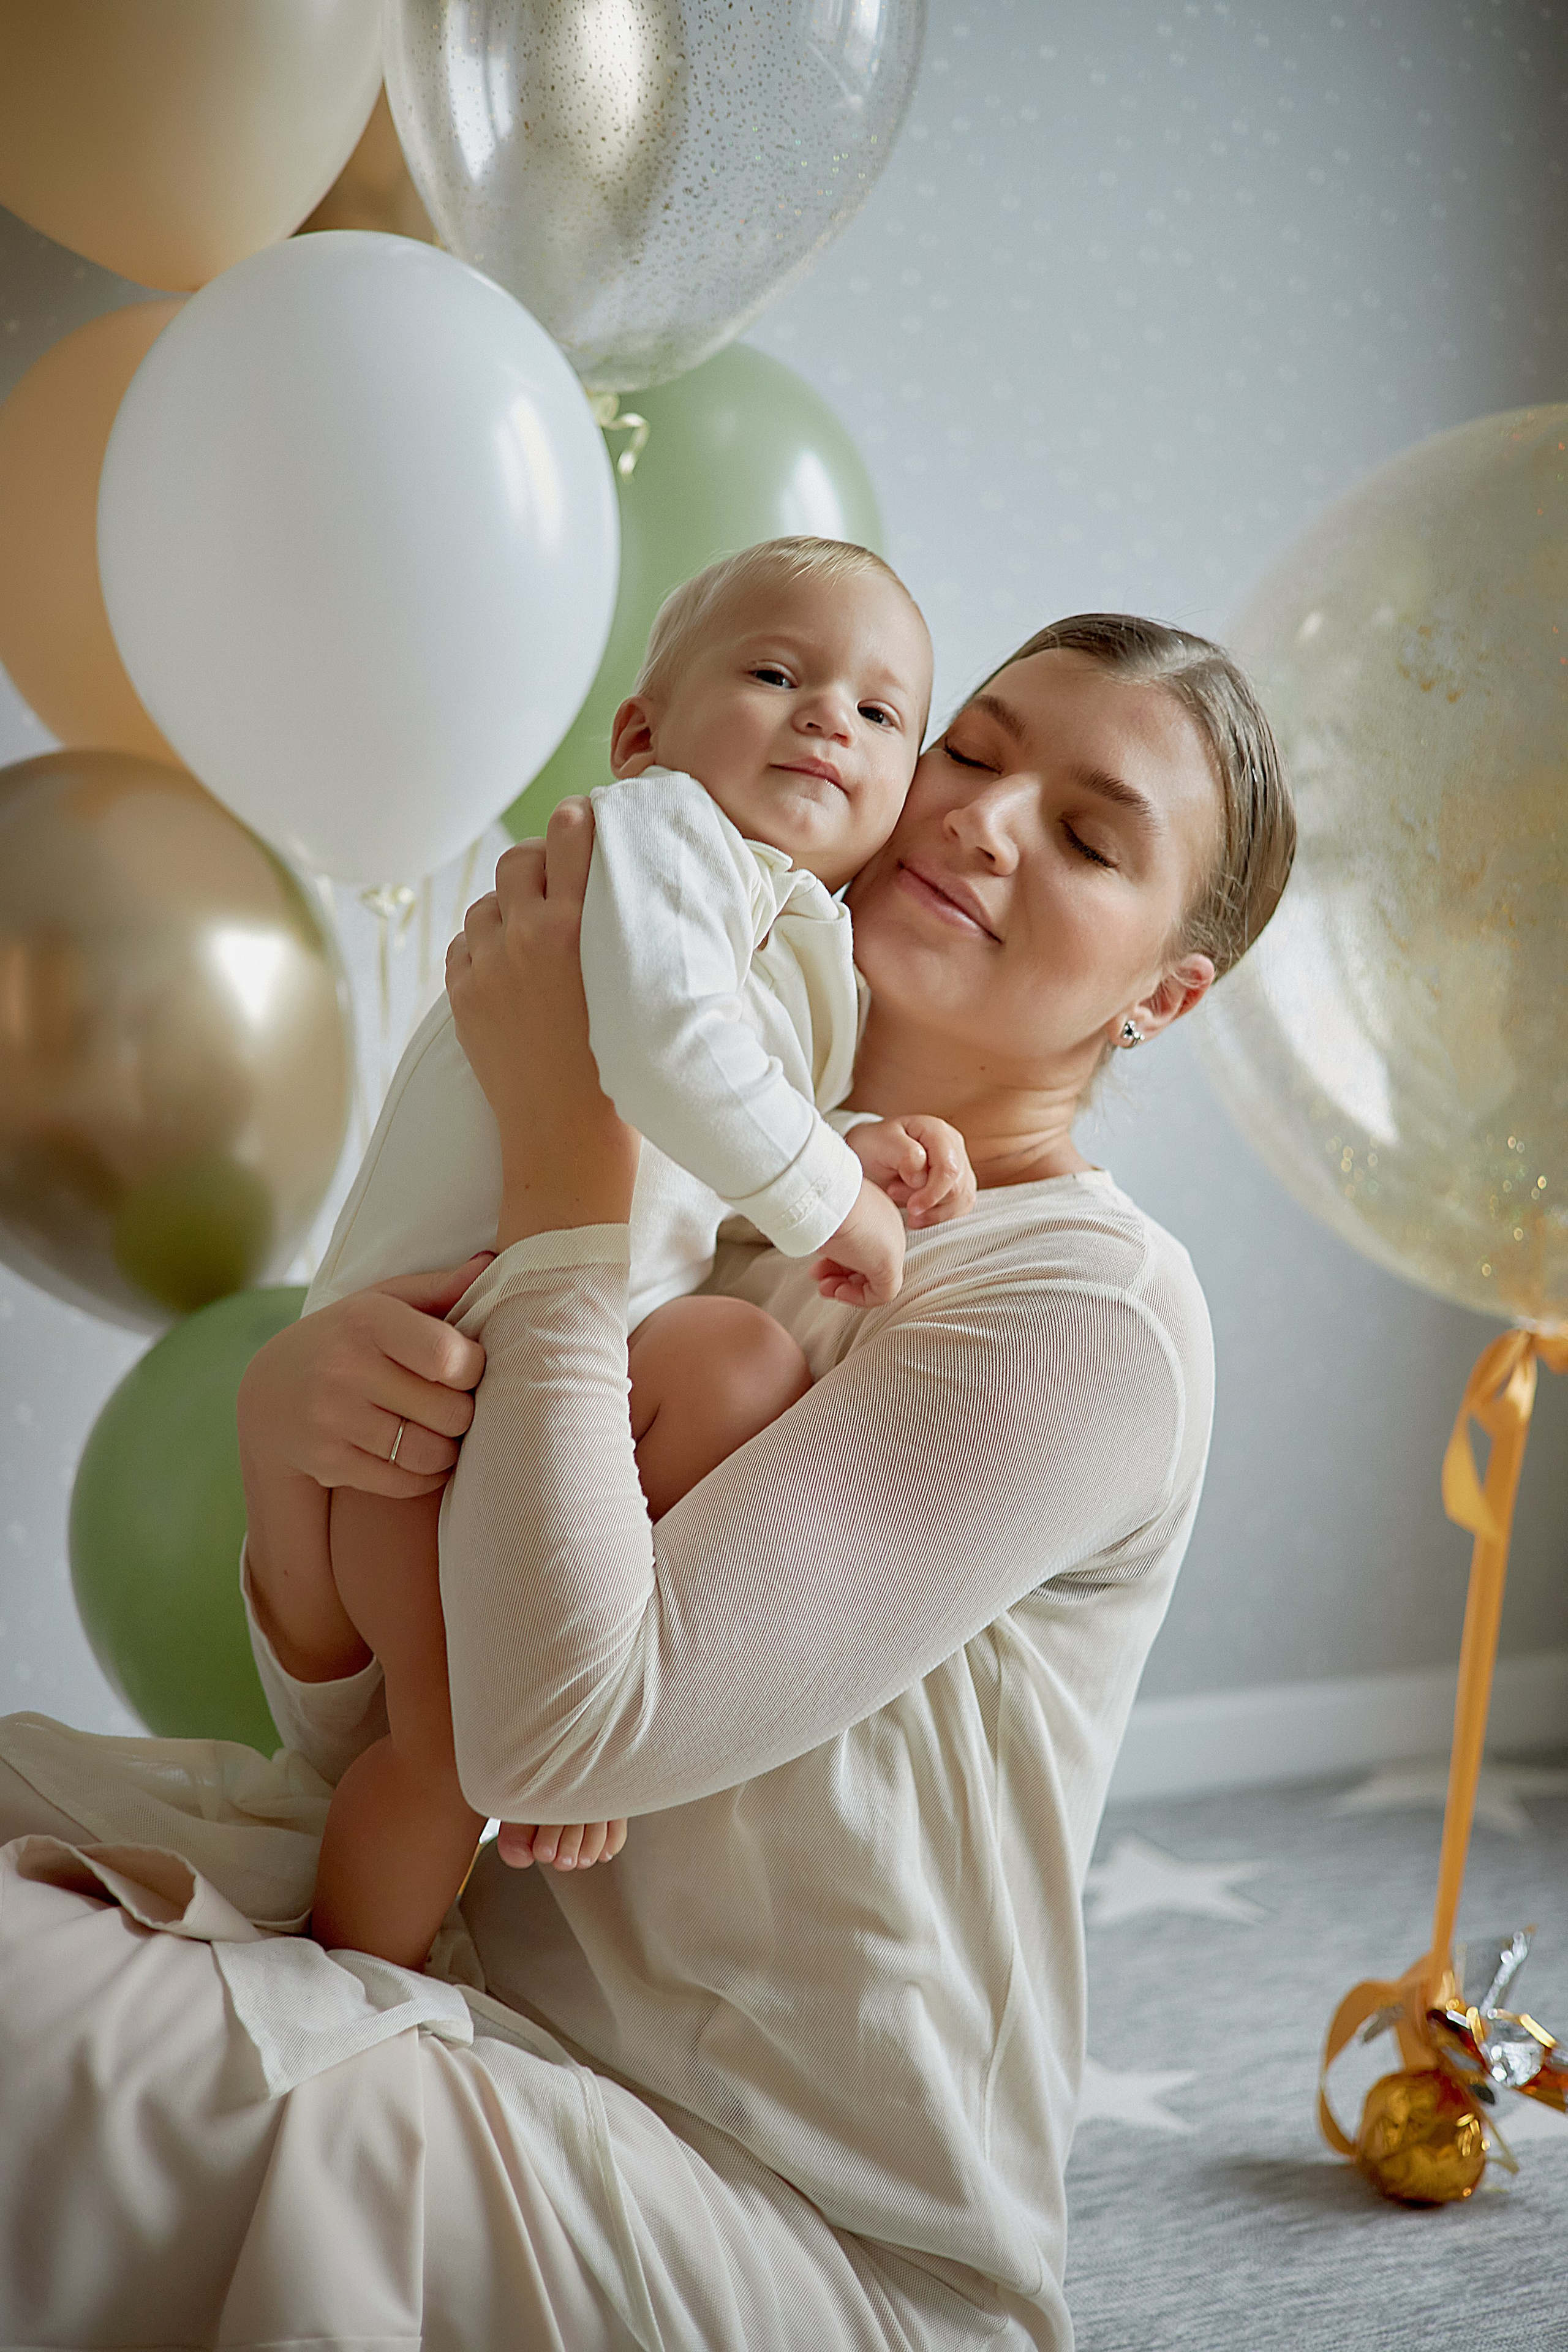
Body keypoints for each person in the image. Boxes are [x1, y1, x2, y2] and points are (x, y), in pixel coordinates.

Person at [0, 613, 1295, 2351]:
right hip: (460, 1991)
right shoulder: (723, 1197)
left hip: (783, 2215)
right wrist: (294, 1434)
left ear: (1165, 991)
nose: (984, 819)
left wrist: (565, 1164)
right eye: (974, 754)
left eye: (1087, 836)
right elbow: (393, 1751)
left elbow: (550, 1742)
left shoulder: (1081, 1313)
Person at [306, 533, 981, 1967]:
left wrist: (847, 1143)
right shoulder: (658, 836)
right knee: (436, 1758)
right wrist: (832, 1200)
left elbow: (708, 1153)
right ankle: (345, 2002)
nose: (825, 718)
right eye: (776, 672)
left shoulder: (799, 950)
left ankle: (571, 1706)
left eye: (878, 714)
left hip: (552, 1380)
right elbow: (670, 1049)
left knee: (741, 1353)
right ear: (642, 735)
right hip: (415, 1391)